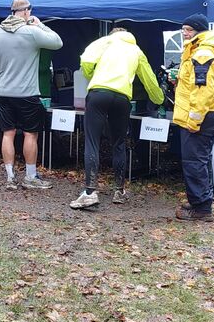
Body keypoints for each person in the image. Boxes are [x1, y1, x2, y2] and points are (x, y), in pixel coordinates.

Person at [70, 26, 164, 209]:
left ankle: (90, 192)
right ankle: (119, 191)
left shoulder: (104, 42)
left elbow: (86, 59)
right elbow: (149, 79)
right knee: (119, 144)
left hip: (98, 93)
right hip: (122, 98)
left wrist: (92, 76)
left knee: (92, 142)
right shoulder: (136, 50)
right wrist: (159, 99)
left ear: (112, 34)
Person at [0, 0, 63, 190]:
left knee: (8, 133)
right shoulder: (32, 32)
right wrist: (40, 24)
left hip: (5, 93)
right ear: (27, 11)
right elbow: (57, 42)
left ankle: (10, 177)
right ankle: (30, 176)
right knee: (30, 134)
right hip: (27, 93)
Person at [173, 14, 214, 221]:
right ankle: (199, 200)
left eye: (189, 30)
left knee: (194, 161)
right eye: (183, 29)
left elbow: (203, 90)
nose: (185, 33)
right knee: (198, 160)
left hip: (200, 115)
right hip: (203, 112)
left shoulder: (203, 52)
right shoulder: (197, 49)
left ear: (200, 31)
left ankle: (202, 209)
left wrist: (194, 120)